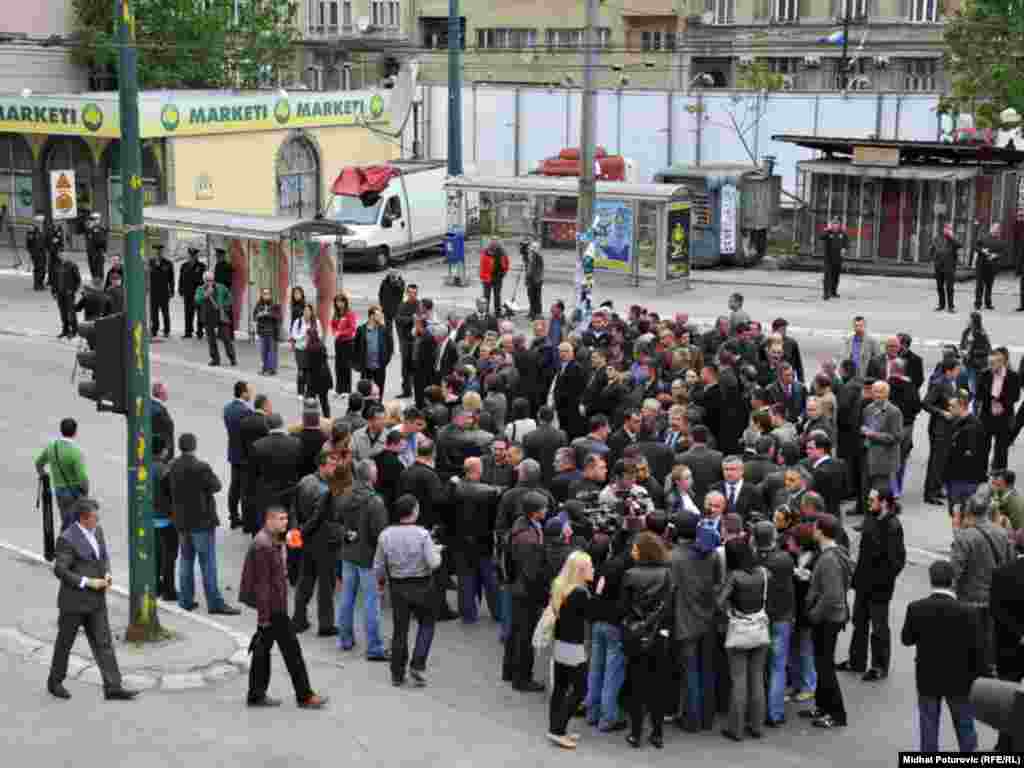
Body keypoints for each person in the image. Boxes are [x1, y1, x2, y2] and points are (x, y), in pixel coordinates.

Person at [46, 498, 138, 702]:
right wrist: (87, 582)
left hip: (96, 601)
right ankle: (55, 681)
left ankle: (113, 687)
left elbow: (103, 556)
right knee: (65, 644)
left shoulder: (97, 531)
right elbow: (60, 569)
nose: (98, 519)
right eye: (95, 517)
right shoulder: (67, 539)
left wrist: (107, 574)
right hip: (74, 602)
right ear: (84, 518)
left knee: (104, 642)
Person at [238, 505, 328, 709]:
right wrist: (264, 616)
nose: (284, 523)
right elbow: (262, 584)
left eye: (286, 519)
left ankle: (256, 694)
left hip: (274, 606)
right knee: (292, 652)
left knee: (263, 650)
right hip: (273, 608)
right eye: (280, 519)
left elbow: (290, 550)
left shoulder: (272, 540)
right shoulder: (264, 545)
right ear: (268, 520)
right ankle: (304, 696)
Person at [901, 559, 983, 752]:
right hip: (960, 678)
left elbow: (906, 639)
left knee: (928, 725)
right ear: (952, 580)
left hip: (928, 675)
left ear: (931, 580)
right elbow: (978, 648)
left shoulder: (916, 607)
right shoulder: (969, 611)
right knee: (964, 725)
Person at [374, 494, 444, 687]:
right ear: (414, 511)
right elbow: (433, 563)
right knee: (427, 624)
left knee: (400, 630)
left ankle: (397, 673)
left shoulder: (385, 535)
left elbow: (379, 566)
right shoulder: (423, 534)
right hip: (422, 585)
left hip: (397, 586)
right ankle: (417, 664)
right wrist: (437, 553)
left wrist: (380, 583)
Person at [168, 433, 240, 615]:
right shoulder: (201, 467)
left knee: (185, 560)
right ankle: (214, 602)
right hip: (201, 521)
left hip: (182, 521)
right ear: (194, 446)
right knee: (207, 563)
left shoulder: (173, 466)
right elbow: (216, 486)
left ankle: (185, 599)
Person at [842, 490, 905, 681]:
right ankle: (856, 661)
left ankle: (879, 666)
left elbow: (897, 561)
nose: (868, 503)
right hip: (863, 583)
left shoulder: (893, 526)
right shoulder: (871, 518)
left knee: (879, 628)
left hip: (879, 587)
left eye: (871, 500)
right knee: (859, 623)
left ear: (884, 503)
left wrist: (882, 581)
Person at [620, 531, 673, 749]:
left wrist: (632, 627)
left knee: (636, 685)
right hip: (658, 635)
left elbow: (624, 607)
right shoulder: (667, 574)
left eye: (635, 548)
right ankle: (657, 733)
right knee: (658, 686)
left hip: (635, 634)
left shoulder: (630, 574)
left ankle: (635, 733)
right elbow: (669, 607)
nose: (632, 552)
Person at [951, 494, 1014, 676]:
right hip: (995, 599)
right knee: (990, 642)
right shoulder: (1002, 533)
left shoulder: (965, 537)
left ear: (969, 511)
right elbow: (1009, 565)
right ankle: (989, 671)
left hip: (969, 600)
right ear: (988, 510)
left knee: (968, 643)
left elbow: (955, 571)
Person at [800, 513, 853, 729]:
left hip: (827, 619)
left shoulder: (829, 559)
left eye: (814, 527)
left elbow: (831, 596)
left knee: (825, 667)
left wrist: (813, 615)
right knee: (821, 664)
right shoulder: (833, 554)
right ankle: (822, 706)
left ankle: (837, 713)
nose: (812, 530)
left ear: (821, 532)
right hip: (831, 617)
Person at [335, 459, 390, 661]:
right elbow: (380, 535)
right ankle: (374, 647)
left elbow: (337, 521)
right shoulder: (375, 502)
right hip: (368, 558)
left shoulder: (345, 494)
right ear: (371, 476)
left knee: (347, 598)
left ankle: (345, 638)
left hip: (348, 553)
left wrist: (348, 534)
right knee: (371, 602)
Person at [717, 539, 771, 742]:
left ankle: (735, 729)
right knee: (757, 678)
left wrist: (729, 612)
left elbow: (718, 603)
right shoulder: (763, 573)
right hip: (759, 629)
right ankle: (757, 726)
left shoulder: (734, 576)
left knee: (739, 680)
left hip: (739, 630)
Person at [546, 550, 594, 750]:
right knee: (580, 689)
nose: (593, 569)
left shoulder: (562, 587)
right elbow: (591, 614)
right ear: (581, 570)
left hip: (560, 643)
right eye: (590, 566)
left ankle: (555, 728)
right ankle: (558, 730)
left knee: (560, 687)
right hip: (573, 646)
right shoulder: (580, 594)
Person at [503, 491, 550, 692]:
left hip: (516, 587)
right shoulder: (528, 538)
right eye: (544, 507)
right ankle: (522, 678)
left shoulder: (520, 526)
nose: (546, 510)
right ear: (536, 511)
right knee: (525, 634)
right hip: (525, 591)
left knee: (515, 631)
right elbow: (531, 571)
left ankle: (509, 670)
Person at [292, 449, 339, 636]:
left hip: (308, 541)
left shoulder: (304, 481)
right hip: (324, 542)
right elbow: (317, 519)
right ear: (322, 466)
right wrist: (302, 532)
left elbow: (293, 509)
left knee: (305, 581)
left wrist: (297, 533)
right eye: (332, 465)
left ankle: (299, 619)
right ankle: (326, 625)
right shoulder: (326, 490)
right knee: (326, 586)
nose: (335, 468)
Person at [989, 529, 1024, 753]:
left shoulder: (1001, 573)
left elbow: (996, 610)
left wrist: (1018, 633)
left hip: (1009, 646)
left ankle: (1005, 745)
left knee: (1008, 697)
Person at [35, 418, 89, 532]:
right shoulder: (75, 452)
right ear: (75, 432)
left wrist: (44, 475)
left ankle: (64, 545)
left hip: (59, 491)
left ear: (61, 430)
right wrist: (85, 493)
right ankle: (65, 546)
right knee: (76, 525)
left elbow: (39, 463)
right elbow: (82, 477)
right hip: (74, 492)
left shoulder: (52, 447)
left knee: (66, 520)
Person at [976, 347, 1020, 472]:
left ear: (1004, 362)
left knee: (1001, 449)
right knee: (983, 447)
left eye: (996, 361)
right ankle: (980, 473)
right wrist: (991, 401)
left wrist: (1002, 403)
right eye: (991, 362)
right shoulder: (985, 374)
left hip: (1004, 417)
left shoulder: (1013, 376)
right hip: (986, 416)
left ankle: (999, 474)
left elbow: (1016, 396)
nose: (992, 365)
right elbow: (978, 395)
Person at [152, 434, 177, 602]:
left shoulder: (144, 467)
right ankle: (169, 590)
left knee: (156, 555)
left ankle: (156, 586)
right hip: (165, 518)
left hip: (150, 518)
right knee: (169, 556)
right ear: (162, 451)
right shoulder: (163, 470)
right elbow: (170, 494)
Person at [195, 270, 236, 367]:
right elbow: (197, 300)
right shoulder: (200, 289)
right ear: (203, 280)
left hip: (220, 315)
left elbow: (230, 298)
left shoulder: (221, 287)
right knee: (211, 339)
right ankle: (215, 359)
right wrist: (206, 295)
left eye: (211, 280)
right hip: (208, 316)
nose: (209, 282)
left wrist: (224, 305)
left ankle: (232, 357)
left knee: (226, 337)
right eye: (207, 280)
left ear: (213, 280)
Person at [354, 305, 392, 397]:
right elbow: (356, 348)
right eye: (378, 315)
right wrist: (358, 364)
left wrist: (385, 360)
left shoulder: (384, 329)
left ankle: (378, 406)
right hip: (366, 366)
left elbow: (390, 346)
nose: (381, 317)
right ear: (371, 316)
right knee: (365, 390)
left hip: (379, 366)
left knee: (379, 389)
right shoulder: (361, 329)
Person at [395, 283, 420, 398]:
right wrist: (411, 319)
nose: (412, 295)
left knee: (416, 366)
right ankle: (406, 390)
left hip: (417, 340)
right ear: (406, 293)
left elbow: (423, 319)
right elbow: (398, 319)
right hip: (405, 340)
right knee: (405, 367)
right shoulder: (402, 305)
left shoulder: (420, 305)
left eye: (414, 293)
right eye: (410, 293)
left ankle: (418, 390)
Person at [331, 290, 358, 396]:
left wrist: (341, 333)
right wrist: (334, 332)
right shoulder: (336, 314)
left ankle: (346, 390)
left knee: (346, 366)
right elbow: (333, 325)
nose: (339, 304)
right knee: (338, 366)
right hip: (338, 343)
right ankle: (338, 389)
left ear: (345, 302)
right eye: (337, 302)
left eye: (341, 302)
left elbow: (352, 328)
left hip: (347, 342)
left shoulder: (349, 313)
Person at [974, 221, 1006, 311]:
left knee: (989, 286)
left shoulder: (1001, 241)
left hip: (992, 267)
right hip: (981, 265)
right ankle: (977, 303)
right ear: (991, 228)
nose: (996, 230)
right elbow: (976, 247)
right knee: (979, 286)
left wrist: (996, 255)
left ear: (999, 231)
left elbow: (1003, 253)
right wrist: (983, 251)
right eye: (995, 228)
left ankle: (988, 303)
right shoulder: (983, 237)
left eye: (998, 229)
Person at [931, 222, 962, 313]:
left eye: (949, 228)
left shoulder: (953, 239)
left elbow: (959, 245)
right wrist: (934, 259)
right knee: (939, 287)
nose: (947, 230)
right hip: (939, 267)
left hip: (949, 268)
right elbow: (932, 249)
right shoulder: (937, 238)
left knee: (949, 287)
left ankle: (951, 306)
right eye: (946, 228)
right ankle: (941, 305)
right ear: (943, 229)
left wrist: (951, 237)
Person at [303, 327, 333, 419]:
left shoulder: (309, 348)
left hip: (313, 379)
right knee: (324, 401)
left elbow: (307, 365)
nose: (306, 337)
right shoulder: (321, 345)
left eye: (307, 336)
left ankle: (311, 420)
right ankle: (327, 419)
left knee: (310, 402)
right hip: (325, 378)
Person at [252, 288, 282, 376]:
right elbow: (254, 316)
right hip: (262, 332)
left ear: (270, 295)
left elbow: (279, 317)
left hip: (272, 332)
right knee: (263, 352)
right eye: (264, 293)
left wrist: (269, 314)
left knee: (271, 352)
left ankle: (271, 370)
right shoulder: (258, 304)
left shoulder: (275, 305)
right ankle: (264, 368)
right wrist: (259, 315)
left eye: (267, 294)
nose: (266, 295)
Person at [178, 248, 206, 339]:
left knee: (200, 313)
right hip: (188, 293)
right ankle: (188, 332)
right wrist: (180, 289)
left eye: (194, 255)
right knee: (188, 313)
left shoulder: (202, 266)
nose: (192, 257)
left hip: (198, 293)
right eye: (191, 255)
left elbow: (203, 280)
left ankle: (200, 331)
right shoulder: (184, 266)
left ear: (196, 256)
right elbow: (181, 279)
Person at [52, 250, 81, 339]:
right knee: (63, 312)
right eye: (60, 255)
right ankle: (65, 330)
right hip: (60, 293)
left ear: (67, 255)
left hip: (68, 293)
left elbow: (78, 280)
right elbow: (54, 280)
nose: (62, 256)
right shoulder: (56, 266)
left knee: (71, 312)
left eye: (63, 254)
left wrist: (73, 290)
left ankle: (74, 330)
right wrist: (54, 292)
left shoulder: (72, 265)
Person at [148, 244, 174, 338]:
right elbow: (147, 276)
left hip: (164, 292)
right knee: (153, 313)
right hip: (153, 292)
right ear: (154, 252)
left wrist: (172, 291)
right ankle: (154, 330)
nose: (158, 253)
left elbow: (171, 279)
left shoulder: (168, 263)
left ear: (162, 252)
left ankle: (166, 330)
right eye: (156, 251)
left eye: (160, 251)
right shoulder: (150, 262)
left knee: (165, 312)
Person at [820, 215, 848, 300]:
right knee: (827, 276)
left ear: (840, 224)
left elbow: (846, 242)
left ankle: (833, 292)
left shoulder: (842, 233)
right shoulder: (828, 232)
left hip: (838, 258)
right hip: (828, 258)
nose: (835, 224)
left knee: (835, 276)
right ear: (831, 223)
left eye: (837, 223)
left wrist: (844, 248)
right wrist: (828, 229)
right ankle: (826, 294)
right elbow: (821, 237)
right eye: (833, 223)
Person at [289, 303, 316, 395]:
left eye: (309, 311)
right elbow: (294, 335)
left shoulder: (315, 322)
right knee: (301, 370)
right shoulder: (298, 322)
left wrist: (312, 337)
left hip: (311, 350)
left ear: (312, 312)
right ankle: (300, 392)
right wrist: (303, 335)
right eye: (305, 311)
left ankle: (309, 392)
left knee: (309, 371)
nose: (307, 312)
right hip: (300, 349)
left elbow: (319, 334)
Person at [480, 238, 510, 316]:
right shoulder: (486, 252)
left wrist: (504, 272)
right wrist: (483, 277)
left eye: (496, 242)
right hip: (487, 277)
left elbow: (506, 262)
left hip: (498, 277)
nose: (495, 244)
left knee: (497, 295)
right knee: (486, 296)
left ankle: (497, 312)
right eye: (493, 242)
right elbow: (482, 266)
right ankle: (485, 312)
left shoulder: (502, 252)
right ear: (490, 244)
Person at [524, 239, 545, 320]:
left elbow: (536, 270)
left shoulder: (538, 257)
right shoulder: (531, 256)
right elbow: (528, 268)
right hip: (531, 280)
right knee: (531, 297)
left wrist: (536, 279)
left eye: (533, 248)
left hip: (536, 280)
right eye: (531, 248)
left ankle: (537, 313)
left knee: (536, 298)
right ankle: (532, 312)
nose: (531, 249)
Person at [84, 212, 107, 282]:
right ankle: (95, 283)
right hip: (91, 253)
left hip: (98, 253)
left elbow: (102, 242)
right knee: (93, 270)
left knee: (98, 271)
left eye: (94, 219)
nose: (92, 221)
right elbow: (88, 241)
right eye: (92, 219)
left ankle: (99, 285)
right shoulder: (89, 229)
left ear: (98, 220)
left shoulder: (100, 229)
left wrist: (104, 252)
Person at [27, 214, 46, 290]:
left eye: (42, 222)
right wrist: (31, 252)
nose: (41, 223)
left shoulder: (43, 229)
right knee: (38, 268)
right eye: (39, 221)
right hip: (36, 252)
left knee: (43, 268)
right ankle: (37, 284)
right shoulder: (32, 230)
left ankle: (40, 283)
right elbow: (29, 242)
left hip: (42, 251)